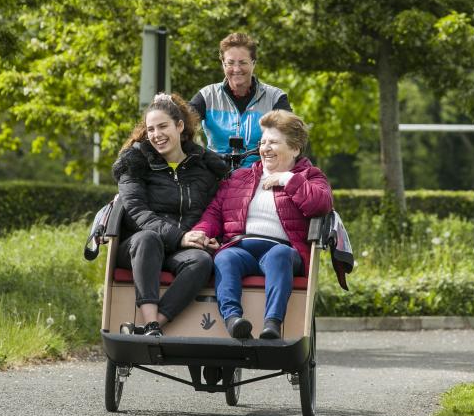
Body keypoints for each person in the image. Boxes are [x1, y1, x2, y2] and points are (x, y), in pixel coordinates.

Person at [190, 110, 332, 339]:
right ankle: (233, 320)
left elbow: (321, 204)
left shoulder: (309, 176)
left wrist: (288, 179)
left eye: (274, 142)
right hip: (241, 247)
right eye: (263, 142)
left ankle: (272, 324)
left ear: (295, 148)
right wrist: (200, 231)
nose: (265, 148)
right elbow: (214, 212)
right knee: (225, 258)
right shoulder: (240, 177)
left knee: (278, 255)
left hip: (281, 250)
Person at [112, 93, 228, 337]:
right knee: (148, 238)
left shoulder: (203, 171)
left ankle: (154, 327)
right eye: (151, 129)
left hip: (178, 251)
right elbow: (136, 212)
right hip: (138, 248)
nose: (156, 134)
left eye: (163, 126)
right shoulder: (135, 163)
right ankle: (150, 319)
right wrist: (181, 237)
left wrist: (207, 237)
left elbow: (213, 212)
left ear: (179, 126)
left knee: (202, 261)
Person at [189, 32, 291, 167]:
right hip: (216, 178)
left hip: (261, 178)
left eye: (243, 62)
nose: (236, 69)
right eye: (230, 63)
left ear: (253, 63)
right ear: (223, 64)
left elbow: (292, 138)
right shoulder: (207, 96)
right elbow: (181, 122)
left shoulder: (276, 98)